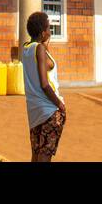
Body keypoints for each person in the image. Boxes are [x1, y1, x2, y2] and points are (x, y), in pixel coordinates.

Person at [22, 11, 65, 162]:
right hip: (49, 110)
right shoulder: (39, 49)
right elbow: (45, 84)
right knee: (45, 156)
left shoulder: (26, 48)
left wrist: (45, 45)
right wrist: (59, 104)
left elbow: (41, 66)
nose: (50, 31)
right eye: (48, 28)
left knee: (36, 154)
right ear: (42, 33)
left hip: (34, 111)